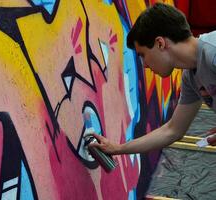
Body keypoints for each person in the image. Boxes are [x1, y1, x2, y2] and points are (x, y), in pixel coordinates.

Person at [89, 3, 216, 155]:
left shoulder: (212, 52)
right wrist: (118, 148)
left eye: (143, 54)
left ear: (160, 43)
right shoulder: (191, 78)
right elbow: (172, 130)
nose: (145, 66)